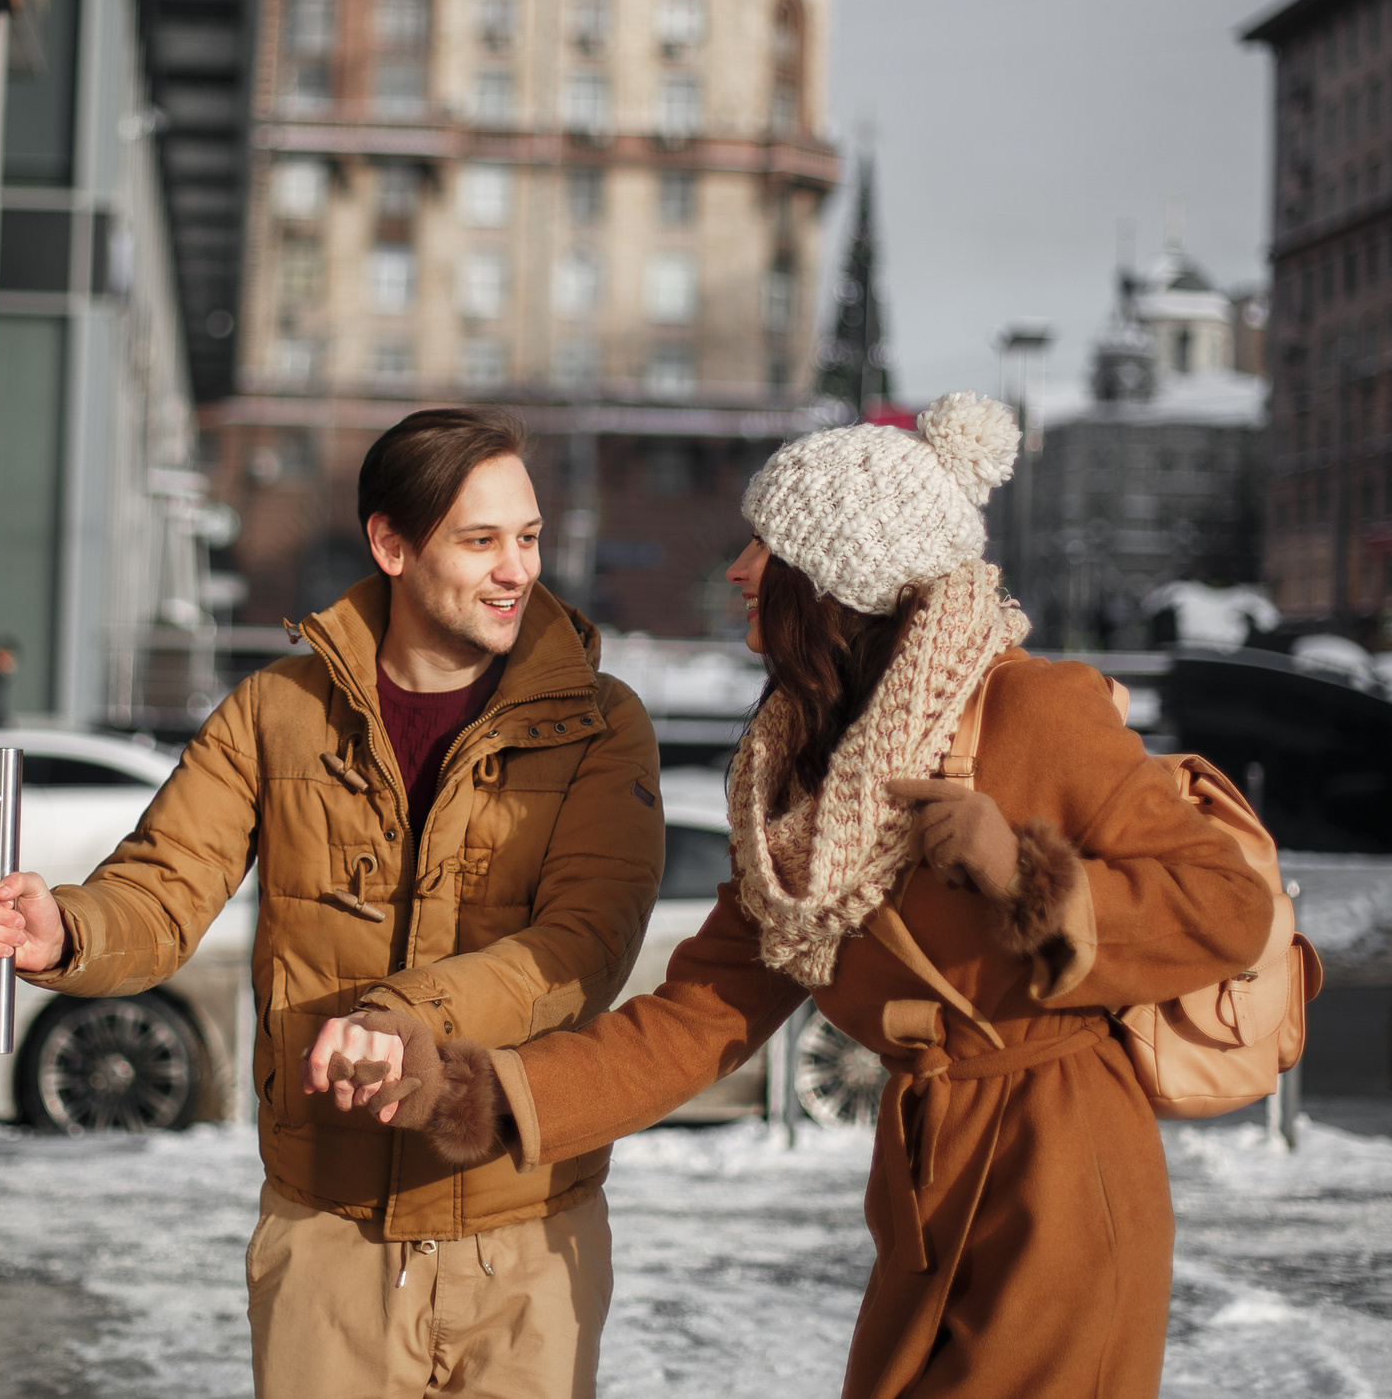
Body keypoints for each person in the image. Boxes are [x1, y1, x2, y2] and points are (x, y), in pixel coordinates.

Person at [315, 394, 1275, 1399]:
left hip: (1065, 1180)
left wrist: (1022, 872)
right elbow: (695, 1020)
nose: (736, 571)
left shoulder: (1032, 710)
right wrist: (478, 1092)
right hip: (924, 1196)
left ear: (841, 582)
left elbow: (1223, 908)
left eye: (765, 549)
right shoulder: (796, 787)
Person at [0, 405, 664, 1398]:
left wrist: (404, 1018)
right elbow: (162, 891)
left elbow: (584, 943)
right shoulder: (274, 711)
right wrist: (69, 926)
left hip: (525, 1237)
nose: (518, 570)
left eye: (528, 536)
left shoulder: (600, 723)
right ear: (390, 543)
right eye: (481, 541)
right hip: (324, 1235)